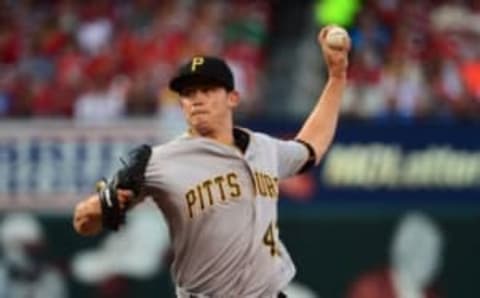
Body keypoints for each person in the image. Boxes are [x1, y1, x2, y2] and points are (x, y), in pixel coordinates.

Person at [73, 25, 351, 297]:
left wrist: (336, 78)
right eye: (188, 93)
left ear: (232, 98)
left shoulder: (263, 148)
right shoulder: (159, 161)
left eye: (207, 90)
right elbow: (83, 222)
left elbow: (310, 147)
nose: (197, 99)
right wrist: (101, 205)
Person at [347, 211, 444, 298]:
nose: (435, 264)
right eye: (428, 254)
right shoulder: (370, 289)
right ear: (407, 250)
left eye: (437, 255)